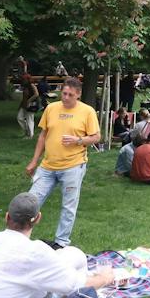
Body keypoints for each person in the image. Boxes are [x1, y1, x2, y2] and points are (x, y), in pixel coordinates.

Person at [24, 76, 100, 248]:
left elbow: (96, 137)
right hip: (47, 166)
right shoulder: (51, 108)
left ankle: (61, 242)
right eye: (63, 93)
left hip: (73, 166)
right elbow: (43, 136)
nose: (65, 97)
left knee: (68, 206)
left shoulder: (87, 111)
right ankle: (20, 238)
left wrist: (78, 140)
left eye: (70, 95)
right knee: (31, 202)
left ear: (78, 95)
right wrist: (34, 161)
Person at [17, 73, 40, 138]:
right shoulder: (25, 86)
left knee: (30, 119)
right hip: (24, 105)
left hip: (31, 105)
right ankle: (27, 131)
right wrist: (21, 105)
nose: (22, 81)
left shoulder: (32, 85)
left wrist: (29, 101)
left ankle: (30, 135)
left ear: (27, 79)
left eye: (23, 79)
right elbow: (24, 97)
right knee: (19, 118)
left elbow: (36, 94)